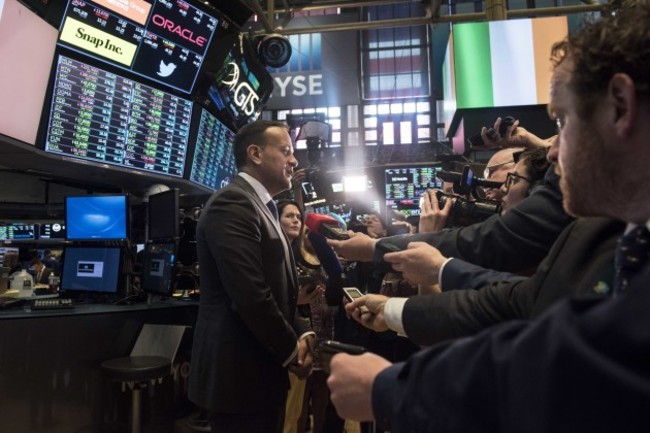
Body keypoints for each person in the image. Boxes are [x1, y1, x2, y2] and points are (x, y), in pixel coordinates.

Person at [327, 4, 650, 431]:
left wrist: (393, 389)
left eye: (562, 121)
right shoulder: (607, 230)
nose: (550, 151)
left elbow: (588, 366)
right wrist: (411, 296)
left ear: (620, 107)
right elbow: (528, 300)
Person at [188, 120, 314, 433]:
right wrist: (290, 349)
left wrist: (302, 330)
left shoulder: (264, 207)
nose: (294, 160)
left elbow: (281, 288)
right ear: (255, 153)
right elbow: (250, 294)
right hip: (238, 374)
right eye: (285, 151)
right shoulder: (232, 203)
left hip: (260, 369)